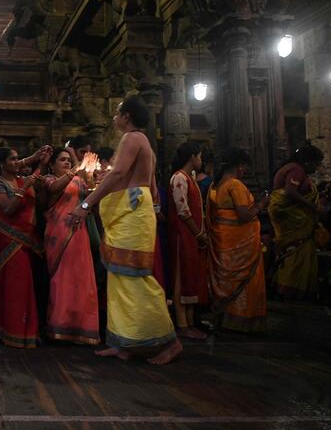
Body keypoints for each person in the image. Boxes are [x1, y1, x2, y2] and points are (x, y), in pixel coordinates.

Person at [72, 96, 181, 365]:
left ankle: (171, 342)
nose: (114, 117)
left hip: (132, 214)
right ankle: (125, 343)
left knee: (136, 278)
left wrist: (86, 203)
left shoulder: (133, 139)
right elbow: (148, 186)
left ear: (128, 116)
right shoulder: (141, 142)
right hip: (131, 212)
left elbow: (118, 174)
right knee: (119, 279)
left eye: (117, 113)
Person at [42, 147, 101, 345]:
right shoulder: (48, 179)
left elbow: (90, 195)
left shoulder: (78, 180)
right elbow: (54, 189)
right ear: (52, 164)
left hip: (79, 233)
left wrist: (91, 175)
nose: (67, 163)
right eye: (62, 160)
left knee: (81, 278)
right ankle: (60, 326)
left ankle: (82, 328)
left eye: (69, 160)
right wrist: (76, 167)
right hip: (59, 234)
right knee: (63, 279)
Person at [206, 148, 268, 333]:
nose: (245, 171)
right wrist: (262, 204)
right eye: (245, 167)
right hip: (241, 246)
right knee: (247, 283)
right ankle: (244, 321)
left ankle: (226, 319)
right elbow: (243, 215)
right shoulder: (235, 185)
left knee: (228, 283)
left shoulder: (216, 186)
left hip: (225, 243)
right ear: (240, 167)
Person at [0, 147, 43, 348]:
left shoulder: (20, 180)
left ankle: (25, 330)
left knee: (25, 284)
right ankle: (10, 331)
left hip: (24, 241)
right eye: (12, 159)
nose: (16, 162)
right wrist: (26, 186)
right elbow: (8, 209)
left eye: (17, 158)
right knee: (11, 286)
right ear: (2, 164)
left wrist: (40, 160)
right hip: (6, 241)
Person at [269, 145, 325, 300]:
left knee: (290, 252)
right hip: (293, 221)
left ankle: (286, 289)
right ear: (308, 162)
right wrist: (313, 207)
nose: (317, 167)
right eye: (316, 163)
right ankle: (291, 291)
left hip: (290, 220)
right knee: (297, 251)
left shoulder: (293, 168)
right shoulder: (297, 170)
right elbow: (290, 192)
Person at [168, 142, 209, 339]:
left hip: (191, 234)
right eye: (199, 156)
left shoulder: (189, 179)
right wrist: (198, 234)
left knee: (191, 275)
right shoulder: (179, 178)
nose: (201, 160)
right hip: (182, 234)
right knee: (180, 277)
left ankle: (191, 323)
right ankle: (182, 323)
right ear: (192, 157)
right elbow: (183, 211)